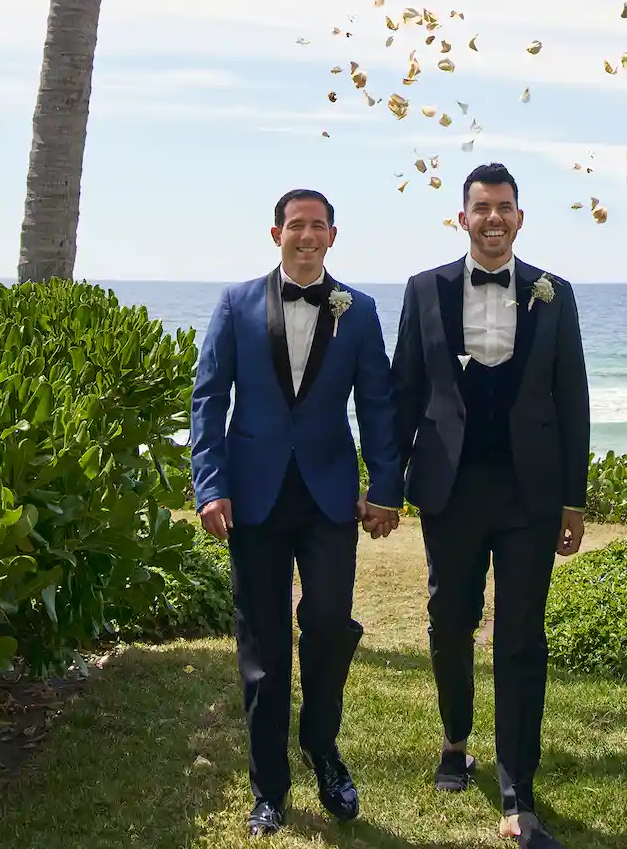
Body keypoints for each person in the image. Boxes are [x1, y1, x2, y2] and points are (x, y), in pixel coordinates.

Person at [191, 187, 401, 838]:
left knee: (330, 626)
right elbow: (209, 398)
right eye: (296, 226)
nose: (307, 236)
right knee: (261, 646)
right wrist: (210, 485)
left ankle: (322, 746)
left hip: (328, 496)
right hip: (251, 498)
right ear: (276, 232)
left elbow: (377, 404)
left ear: (333, 237)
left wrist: (387, 485)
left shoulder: (358, 311)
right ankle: (269, 788)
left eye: (318, 227)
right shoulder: (235, 304)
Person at [393, 162, 590, 849]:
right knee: (450, 619)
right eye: (482, 207)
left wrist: (574, 498)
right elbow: (403, 394)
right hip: (451, 487)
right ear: (463, 217)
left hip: (529, 493)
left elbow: (573, 400)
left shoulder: (553, 294)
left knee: (521, 637)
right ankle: (455, 740)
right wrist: (386, 483)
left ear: (520, 217)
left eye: (505, 207)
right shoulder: (424, 291)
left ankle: (517, 788)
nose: (494, 218)